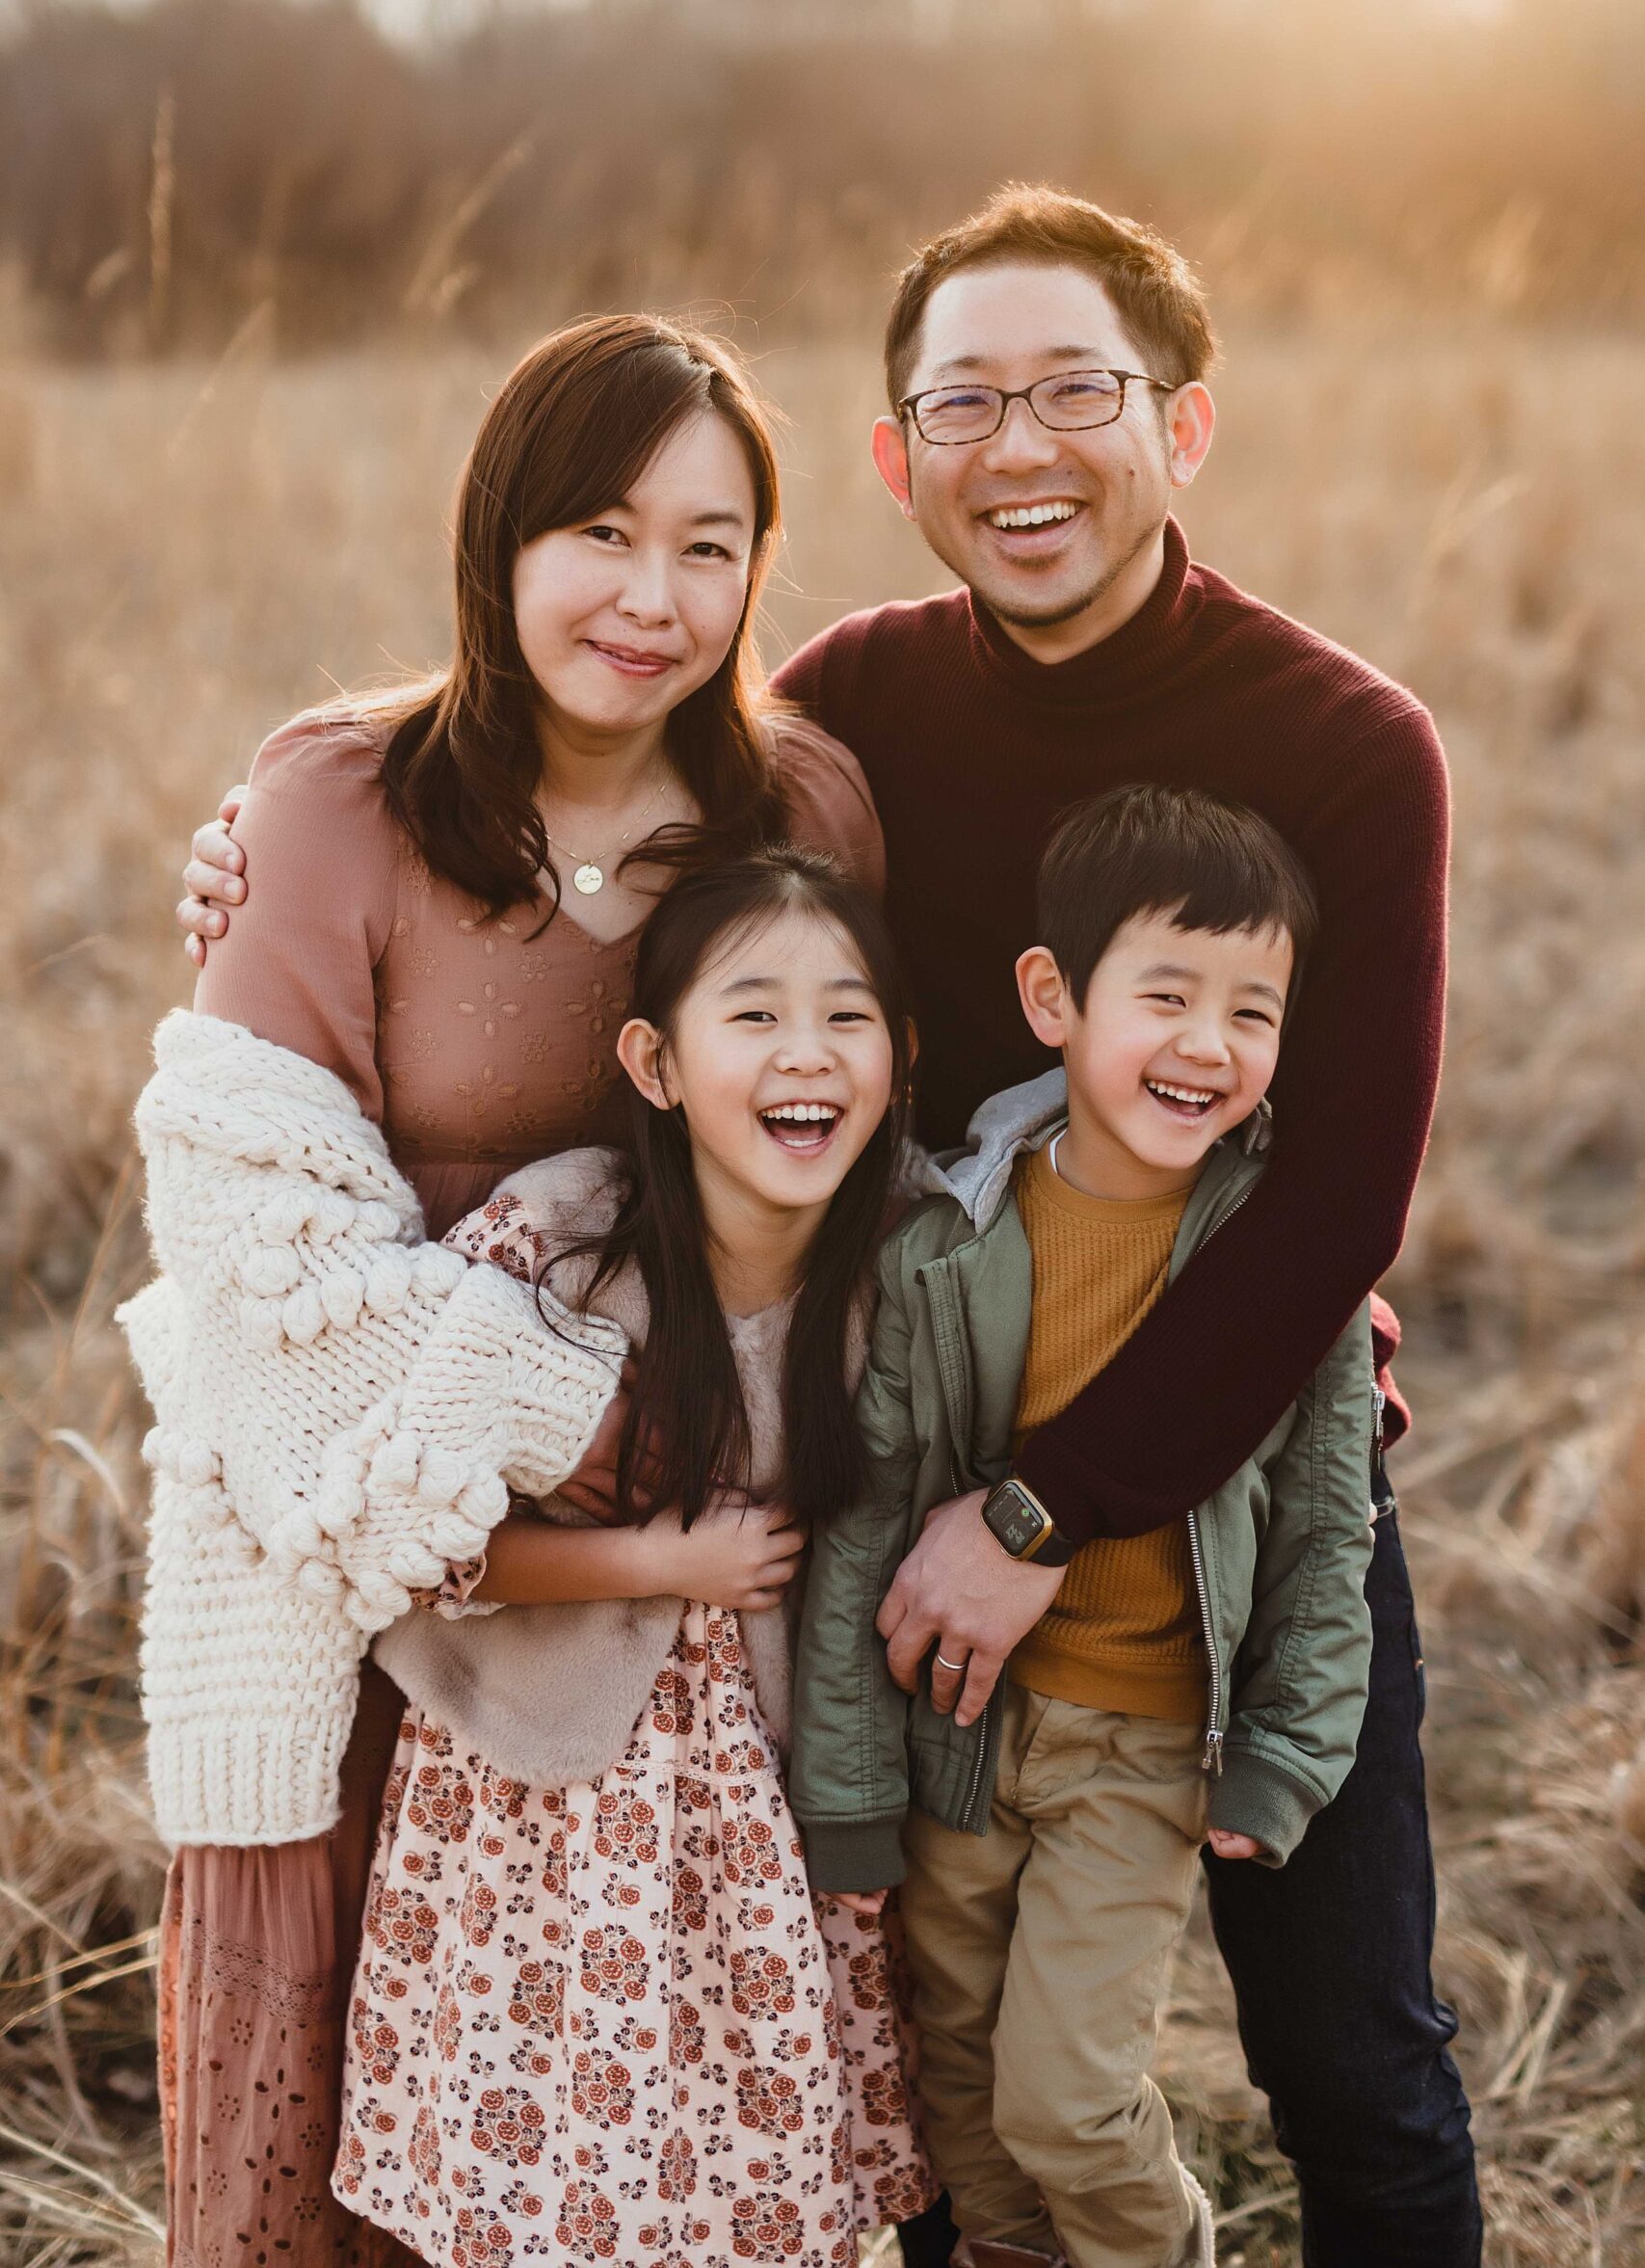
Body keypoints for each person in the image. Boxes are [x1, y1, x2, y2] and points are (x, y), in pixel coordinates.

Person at [182, 185, 1478, 2265]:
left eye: (1077, 391)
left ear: (1185, 424)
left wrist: (1051, 1505)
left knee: (1350, 2056)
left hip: (1224, 1476)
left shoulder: (1341, 744)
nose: (1020, 447)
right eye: (961, 401)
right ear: (893, 460)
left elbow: (1334, 1202)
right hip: (922, 1464)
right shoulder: (852, 719)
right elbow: (625, 863)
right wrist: (267, 828)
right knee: (939, 2059)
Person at [130, 312, 893, 2268]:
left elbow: (876, 1152)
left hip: (694, 1628)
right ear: (500, 538)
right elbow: (257, 1258)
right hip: (382, 1561)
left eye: (711, 544)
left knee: (652, 2144)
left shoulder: (799, 808)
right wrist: (584, 1428)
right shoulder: (335, 807)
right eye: (601, 532)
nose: (655, 597)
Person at [789, 786, 1376, 2268]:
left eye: (1255, 1012)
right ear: (1053, 998)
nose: (1208, 1044)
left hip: (1139, 1752)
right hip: (959, 1736)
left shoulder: (1276, 1265)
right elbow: (874, 1519)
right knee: (966, 2113)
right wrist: (850, 1790)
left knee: (1067, 2104)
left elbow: (1324, 1532)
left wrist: (1290, 1757)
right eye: (1166, 994)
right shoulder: (951, 1240)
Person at [330, 846, 936, 2265]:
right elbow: (400, 1542)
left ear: (903, 1057)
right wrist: (663, 1562)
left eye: (848, 1017)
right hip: (558, 1819)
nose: (808, 1055)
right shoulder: (562, 1248)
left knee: (756, 2175)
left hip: (786, 1810)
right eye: (755, 1015)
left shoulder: (915, 1252)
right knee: (559, 2182)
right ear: (655, 1065)